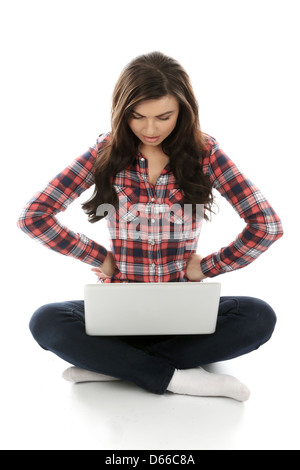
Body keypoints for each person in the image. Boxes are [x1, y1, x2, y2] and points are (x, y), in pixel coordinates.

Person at [17, 51, 283, 402]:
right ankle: (179, 376)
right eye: (137, 116)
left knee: (258, 316)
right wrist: (98, 256)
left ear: (183, 111)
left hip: (182, 312)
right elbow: (34, 216)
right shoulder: (106, 151)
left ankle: (114, 367)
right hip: (119, 310)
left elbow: (266, 224)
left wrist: (208, 267)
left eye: (164, 116)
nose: (150, 129)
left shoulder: (205, 153)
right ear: (122, 111)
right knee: (46, 321)